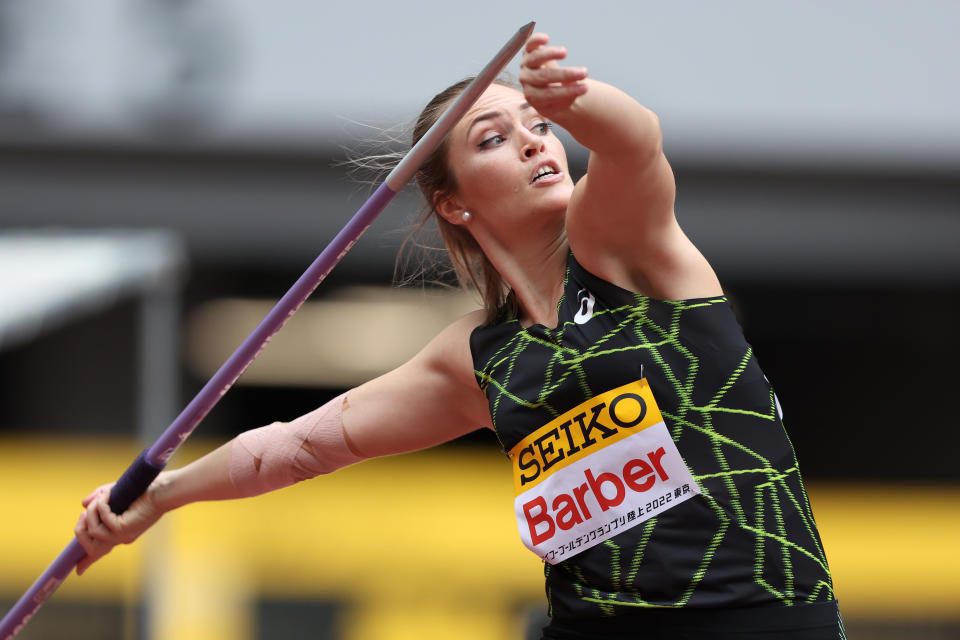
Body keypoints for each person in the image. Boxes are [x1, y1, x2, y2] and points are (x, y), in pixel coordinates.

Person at [75, 33, 845, 639]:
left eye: (538, 127)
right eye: (494, 139)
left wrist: (575, 98)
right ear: (454, 205)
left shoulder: (622, 249)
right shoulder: (478, 358)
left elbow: (635, 142)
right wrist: (159, 498)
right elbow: (301, 446)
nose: (538, 143)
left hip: (759, 616)